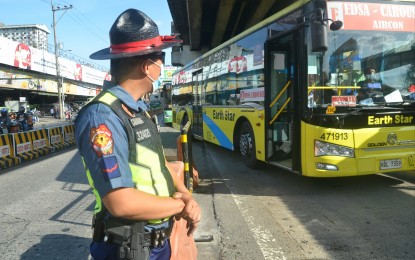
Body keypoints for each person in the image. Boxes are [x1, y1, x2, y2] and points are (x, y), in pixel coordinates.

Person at [75, 9, 200, 260]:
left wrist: (185, 194)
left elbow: (158, 162)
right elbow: (121, 202)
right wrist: (181, 205)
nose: (162, 66)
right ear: (147, 66)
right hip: (127, 248)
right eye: (160, 59)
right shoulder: (102, 117)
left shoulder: (138, 110)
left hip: (154, 243)